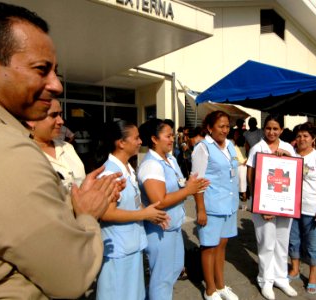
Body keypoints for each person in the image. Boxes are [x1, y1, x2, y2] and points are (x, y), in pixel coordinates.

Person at [0, 2, 122, 299]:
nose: (56, 86)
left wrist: (65, 205)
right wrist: (86, 214)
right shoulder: (5, 153)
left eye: (55, 72)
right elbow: (72, 276)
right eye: (41, 70)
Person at [95, 120, 169, 300]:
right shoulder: (109, 174)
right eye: (136, 138)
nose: (140, 142)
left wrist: (151, 214)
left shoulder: (128, 168)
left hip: (132, 245)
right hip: (118, 250)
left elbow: (133, 203)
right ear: (121, 143)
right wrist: (144, 214)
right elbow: (106, 213)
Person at [137, 118, 209, 300]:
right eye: (168, 136)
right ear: (154, 139)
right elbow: (159, 201)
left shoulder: (169, 159)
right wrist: (188, 190)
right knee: (161, 279)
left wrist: (189, 183)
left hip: (174, 226)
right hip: (160, 229)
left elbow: (177, 183)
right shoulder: (151, 165)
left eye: (172, 136)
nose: (172, 140)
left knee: (175, 269)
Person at [246, 114, 297, 300]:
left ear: (281, 130)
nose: (272, 132)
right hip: (264, 204)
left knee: (282, 242)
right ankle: (265, 280)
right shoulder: (257, 148)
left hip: (284, 204)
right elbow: (250, 176)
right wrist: (259, 204)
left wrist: (289, 157)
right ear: (263, 129)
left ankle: (281, 278)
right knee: (266, 242)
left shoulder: (288, 147)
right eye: (268, 128)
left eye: (276, 129)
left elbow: (297, 173)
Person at [191, 111, 240, 300]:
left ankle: (220, 285)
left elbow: (235, 169)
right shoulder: (203, 148)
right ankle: (209, 289)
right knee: (209, 247)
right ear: (210, 128)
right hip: (211, 206)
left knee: (222, 245)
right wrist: (200, 209)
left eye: (227, 126)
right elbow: (196, 181)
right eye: (221, 126)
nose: (225, 130)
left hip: (229, 204)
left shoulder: (231, 145)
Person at [287, 122, 316, 294]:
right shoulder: (291, 155)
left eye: (306, 136)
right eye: (299, 136)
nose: (302, 139)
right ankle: (295, 269)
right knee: (293, 241)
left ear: (313, 139)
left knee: (313, 245)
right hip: (291, 208)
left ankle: (313, 276)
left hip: (311, 209)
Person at [25, 99, 85, 189]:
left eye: (60, 115)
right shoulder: (23, 153)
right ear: (32, 120)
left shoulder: (67, 147)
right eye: (53, 115)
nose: (61, 121)